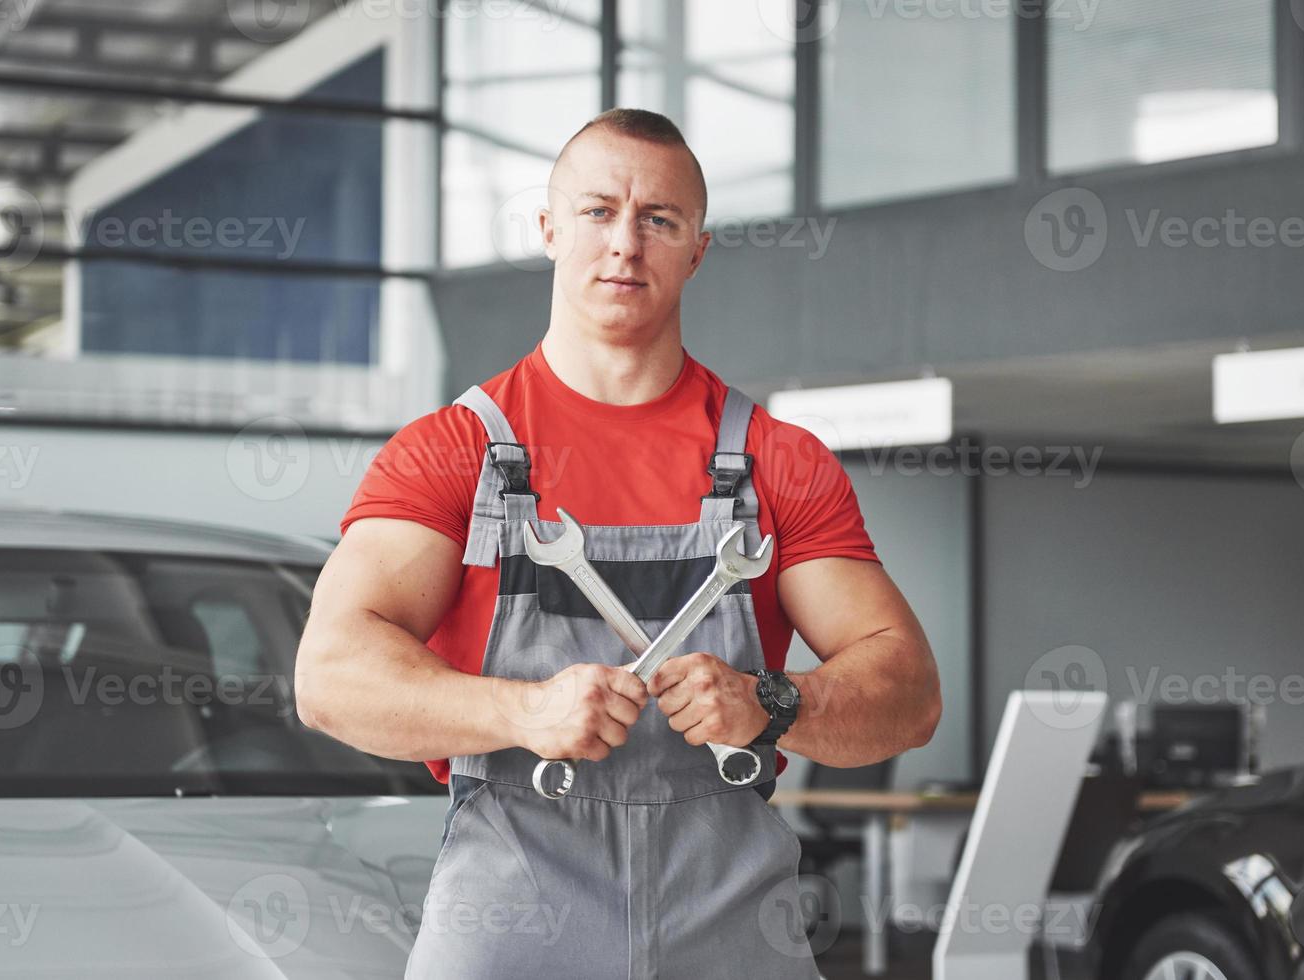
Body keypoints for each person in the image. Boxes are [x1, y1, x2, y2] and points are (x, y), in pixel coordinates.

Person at [295, 107, 941, 978]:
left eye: (659, 220)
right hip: (514, 907)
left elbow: (907, 692)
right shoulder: (455, 451)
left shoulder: (777, 462)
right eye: (598, 211)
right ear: (549, 229)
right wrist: (520, 712)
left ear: (697, 250)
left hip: (732, 913)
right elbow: (330, 677)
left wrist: (771, 701)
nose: (625, 245)